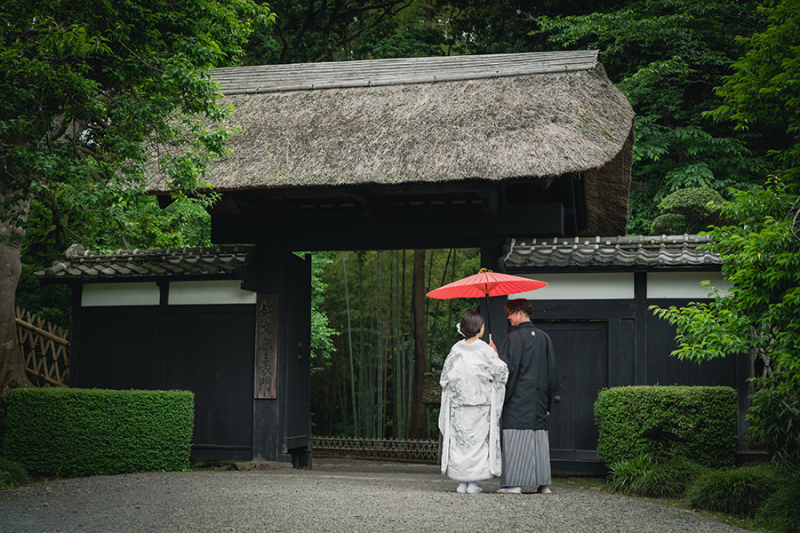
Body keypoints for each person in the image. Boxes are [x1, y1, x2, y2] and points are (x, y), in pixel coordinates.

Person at [438, 311, 508, 494]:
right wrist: (495, 354)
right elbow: (502, 373)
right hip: (479, 405)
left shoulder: (456, 349)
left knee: (460, 441)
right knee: (477, 443)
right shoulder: (485, 349)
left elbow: (445, 377)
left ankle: (462, 482)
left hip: (458, 406)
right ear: (480, 328)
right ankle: (473, 483)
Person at [496, 299, 560, 495]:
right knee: (538, 437)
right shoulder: (544, 338)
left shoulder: (513, 338)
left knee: (515, 437)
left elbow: (508, 370)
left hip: (517, 399)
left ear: (520, 313)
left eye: (511, 313)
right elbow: (551, 372)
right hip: (539, 399)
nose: (509, 317)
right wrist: (549, 398)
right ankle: (543, 484)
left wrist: (494, 357)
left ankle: (515, 484)